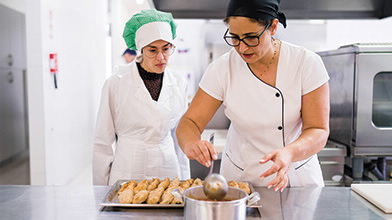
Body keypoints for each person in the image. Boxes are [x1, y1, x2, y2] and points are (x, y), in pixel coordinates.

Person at [176, 0, 330, 191]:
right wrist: (191, 142)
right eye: (234, 38)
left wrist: (290, 153)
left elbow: (318, 130)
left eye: (251, 37)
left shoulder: (306, 63)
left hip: (296, 177)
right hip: (241, 178)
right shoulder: (222, 68)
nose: (242, 48)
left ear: (273, 27)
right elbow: (189, 122)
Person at [93, 9, 190, 185]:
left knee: (167, 211)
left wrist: (184, 181)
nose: (161, 57)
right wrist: (99, 191)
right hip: (129, 168)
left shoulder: (179, 83)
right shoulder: (116, 83)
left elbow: (180, 136)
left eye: (166, 49)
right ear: (141, 50)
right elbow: (103, 142)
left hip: (167, 167)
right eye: (153, 50)